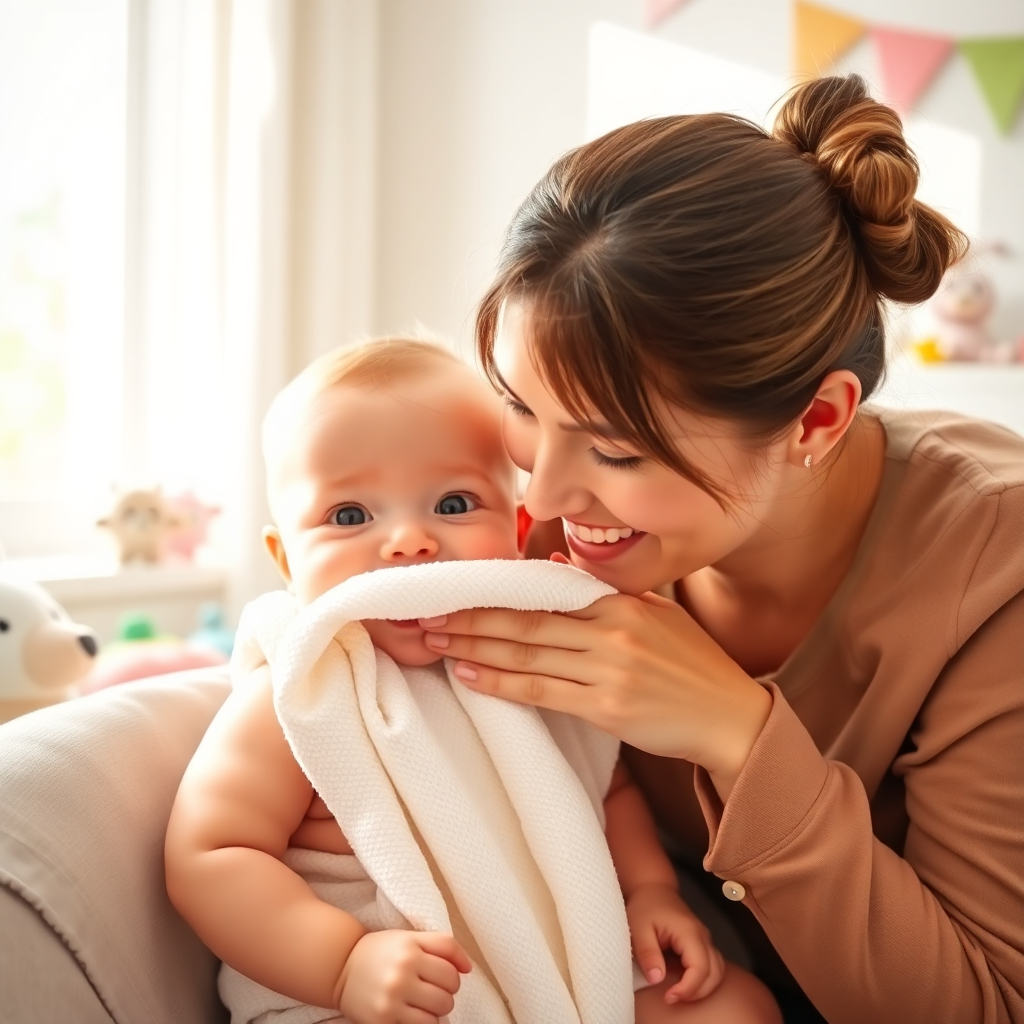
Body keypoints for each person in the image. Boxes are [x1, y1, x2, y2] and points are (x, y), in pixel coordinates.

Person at [415, 75, 1024, 1024]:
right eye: (521, 409)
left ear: (816, 420)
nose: (539, 495)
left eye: (617, 450)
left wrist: (741, 738)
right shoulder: (512, 514)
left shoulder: (996, 571)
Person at [164, 338, 781, 1024]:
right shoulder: (307, 691)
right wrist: (342, 965)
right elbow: (214, 852)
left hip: (564, 972)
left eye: (454, 504)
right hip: (385, 994)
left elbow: (607, 784)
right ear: (286, 559)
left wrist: (649, 892)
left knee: (735, 1007)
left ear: (518, 530)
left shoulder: (539, 648)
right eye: (349, 516)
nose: (409, 541)